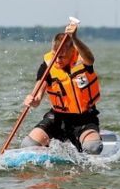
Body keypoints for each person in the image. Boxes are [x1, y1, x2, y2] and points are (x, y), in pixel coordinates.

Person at [21, 22, 103, 154]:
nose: (57, 59)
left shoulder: (83, 60)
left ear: (72, 51)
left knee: (92, 148)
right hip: (58, 118)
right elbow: (37, 98)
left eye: (62, 56)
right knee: (28, 144)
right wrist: (31, 100)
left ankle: (89, 139)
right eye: (55, 55)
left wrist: (74, 38)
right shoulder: (47, 66)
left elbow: (90, 59)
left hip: (84, 118)